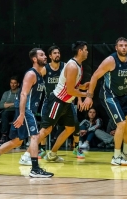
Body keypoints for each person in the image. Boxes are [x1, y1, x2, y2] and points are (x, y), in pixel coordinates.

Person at [0, 48, 53, 177]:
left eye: (45, 54)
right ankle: (35, 169)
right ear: (34, 59)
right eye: (42, 55)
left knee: (17, 141)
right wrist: (22, 113)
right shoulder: (31, 74)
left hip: (27, 111)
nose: (45, 57)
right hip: (26, 111)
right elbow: (23, 94)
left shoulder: (40, 74)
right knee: (35, 136)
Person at [81, 37, 127, 166]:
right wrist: (89, 96)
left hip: (122, 95)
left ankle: (126, 152)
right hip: (109, 95)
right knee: (121, 123)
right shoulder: (110, 61)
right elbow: (94, 76)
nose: (123, 47)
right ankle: (116, 156)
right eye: (121, 45)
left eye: (125, 45)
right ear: (116, 48)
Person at [27, 41, 89, 170]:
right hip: (58, 100)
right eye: (86, 50)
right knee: (46, 129)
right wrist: (86, 95)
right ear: (80, 51)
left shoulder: (77, 65)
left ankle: (52, 153)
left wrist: (83, 87)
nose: (88, 52)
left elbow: (72, 86)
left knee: (71, 128)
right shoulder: (72, 66)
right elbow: (71, 90)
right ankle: (27, 154)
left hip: (66, 102)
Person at [0, 76, 20, 146]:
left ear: (18, 84)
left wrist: (8, 104)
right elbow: (1, 105)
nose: (13, 85)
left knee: (5, 113)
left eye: (15, 83)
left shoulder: (20, 92)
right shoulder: (6, 93)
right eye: (11, 83)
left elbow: (20, 104)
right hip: (6, 111)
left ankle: (4, 135)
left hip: (16, 112)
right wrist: (14, 103)